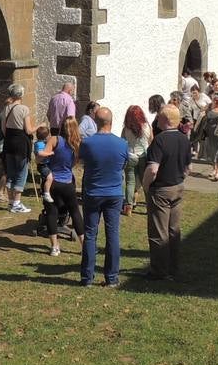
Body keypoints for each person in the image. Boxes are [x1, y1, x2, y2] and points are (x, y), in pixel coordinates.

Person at [78, 106, 128, 287]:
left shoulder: (87, 143)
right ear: (111, 122)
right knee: (113, 234)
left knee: (90, 234)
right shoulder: (122, 144)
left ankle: (87, 278)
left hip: (93, 191)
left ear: (95, 122)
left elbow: (82, 161)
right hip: (114, 193)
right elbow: (123, 165)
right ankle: (112, 277)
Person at [141, 104, 190, 280]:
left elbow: (153, 169)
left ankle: (158, 270)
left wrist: (146, 186)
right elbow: (187, 167)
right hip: (177, 187)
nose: (157, 120)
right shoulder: (184, 139)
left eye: (159, 117)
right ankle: (173, 267)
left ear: (166, 120)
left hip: (161, 189)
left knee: (158, 232)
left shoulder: (160, 140)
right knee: (173, 231)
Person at [42, 116, 84, 256]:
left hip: (52, 181)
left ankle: (55, 246)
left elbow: (43, 157)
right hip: (67, 182)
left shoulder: (54, 140)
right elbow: (74, 164)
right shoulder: (77, 143)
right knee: (75, 212)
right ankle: (84, 245)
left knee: (51, 213)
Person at [0, 84, 34, 214]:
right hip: (20, 143)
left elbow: (3, 129)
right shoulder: (24, 109)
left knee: (11, 172)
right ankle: (17, 203)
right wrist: (39, 125)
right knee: (21, 172)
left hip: (9, 142)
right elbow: (28, 130)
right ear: (21, 95)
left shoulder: (6, 108)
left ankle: (11, 202)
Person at [120, 105, 151, 214]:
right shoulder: (146, 126)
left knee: (130, 182)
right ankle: (150, 207)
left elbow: (122, 141)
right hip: (143, 155)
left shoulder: (126, 128)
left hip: (130, 155)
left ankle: (128, 207)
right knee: (146, 182)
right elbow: (151, 139)